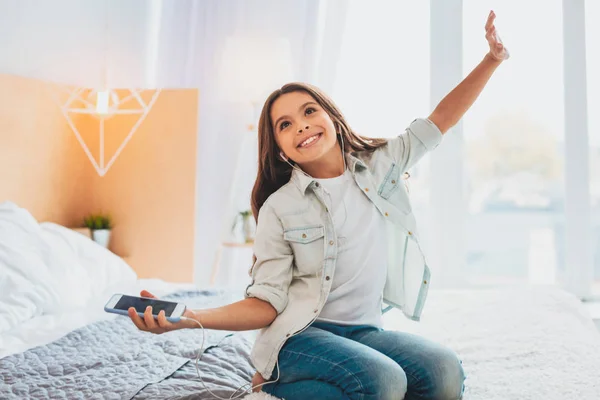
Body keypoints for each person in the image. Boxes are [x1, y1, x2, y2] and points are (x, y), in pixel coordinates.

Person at [128, 10, 508, 400]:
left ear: (332, 116)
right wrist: (189, 318)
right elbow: (265, 303)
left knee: (442, 370)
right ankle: (272, 383)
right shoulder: (280, 207)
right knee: (384, 381)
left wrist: (491, 59)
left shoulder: (381, 166)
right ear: (280, 148)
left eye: (309, 111)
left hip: (363, 332)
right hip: (298, 338)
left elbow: (440, 120)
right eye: (285, 124)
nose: (302, 126)